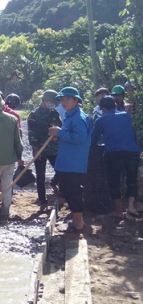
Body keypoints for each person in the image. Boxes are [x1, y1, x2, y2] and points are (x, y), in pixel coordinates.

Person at [48, 86, 92, 233]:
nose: (63, 102)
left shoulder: (78, 117)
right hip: (67, 161)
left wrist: (60, 134)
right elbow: (70, 135)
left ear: (76, 100)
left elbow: (80, 138)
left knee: (73, 191)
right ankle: (77, 220)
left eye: (67, 99)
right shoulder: (70, 115)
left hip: (74, 162)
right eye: (62, 99)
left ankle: (78, 223)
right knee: (67, 190)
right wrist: (59, 135)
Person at [91, 95, 140, 218]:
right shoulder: (126, 116)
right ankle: (131, 206)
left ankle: (119, 212)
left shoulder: (100, 120)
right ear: (115, 105)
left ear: (103, 108)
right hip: (132, 152)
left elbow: (93, 140)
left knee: (114, 183)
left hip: (114, 153)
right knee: (131, 180)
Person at [27, 90, 62, 206]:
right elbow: (32, 133)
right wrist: (36, 148)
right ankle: (42, 199)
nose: (53, 104)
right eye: (51, 101)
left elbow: (60, 127)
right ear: (44, 100)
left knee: (60, 171)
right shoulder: (34, 115)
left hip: (53, 149)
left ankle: (56, 186)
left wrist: (57, 136)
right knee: (40, 176)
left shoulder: (55, 113)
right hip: (40, 149)